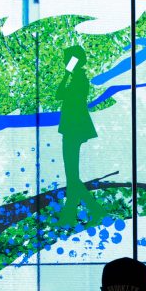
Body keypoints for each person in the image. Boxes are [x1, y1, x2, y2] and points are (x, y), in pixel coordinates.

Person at [56, 45, 107, 226]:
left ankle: (84, 211)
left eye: (67, 59)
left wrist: (67, 73)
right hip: (72, 129)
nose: (64, 62)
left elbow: (61, 95)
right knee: (72, 174)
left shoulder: (80, 80)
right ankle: (81, 212)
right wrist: (66, 73)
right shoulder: (76, 78)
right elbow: (59, 94)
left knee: (71, 173)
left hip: (73, 129)